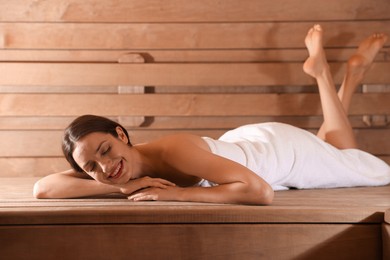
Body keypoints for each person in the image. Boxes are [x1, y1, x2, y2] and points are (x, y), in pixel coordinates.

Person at [33, 25, 390, 205]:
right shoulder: (116, 170)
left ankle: (324, 74)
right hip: (239, 144)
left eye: (105, 151)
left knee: (354, 162)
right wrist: (120, 187)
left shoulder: (172, 152)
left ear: (121, 134)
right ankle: (350, 76)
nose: (104, 166)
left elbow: (260, 191)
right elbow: (43, 188)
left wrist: (174, 196)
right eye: (91, 167)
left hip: (277, 153)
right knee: (336, 147)